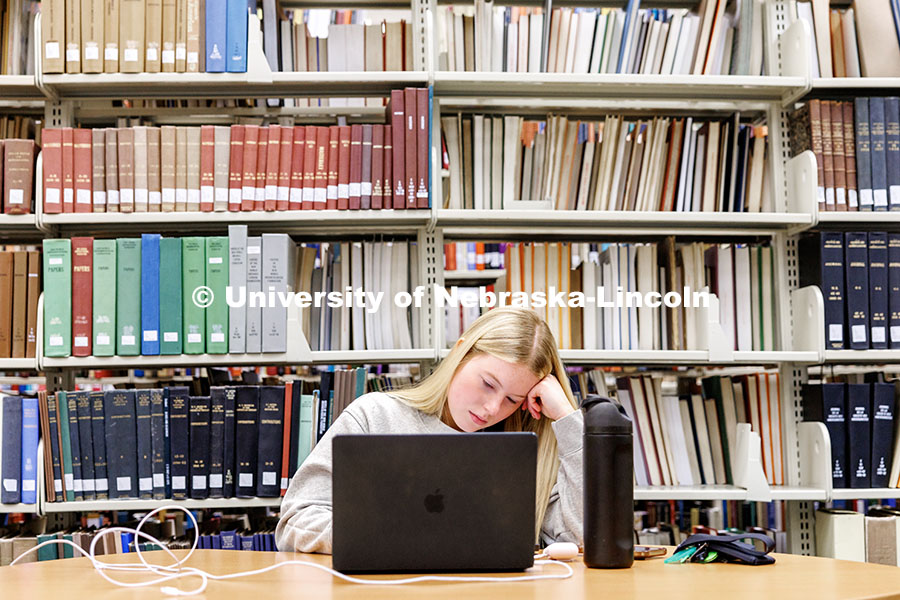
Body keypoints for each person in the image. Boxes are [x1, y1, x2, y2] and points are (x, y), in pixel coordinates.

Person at [274, 307, 584, 554]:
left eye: (512, 399)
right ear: (459, 354)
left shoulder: (528, 448)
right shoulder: (374, 416)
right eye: (488, 383)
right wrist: (376, 538)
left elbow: (580, 538)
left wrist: (567, 419)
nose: (492, 409)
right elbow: (294, 522)